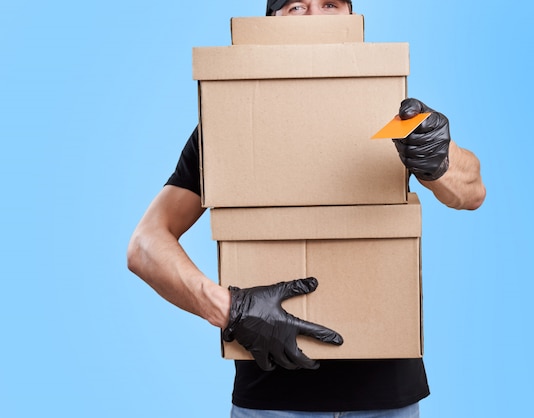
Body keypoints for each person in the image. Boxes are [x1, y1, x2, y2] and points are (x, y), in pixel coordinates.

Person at [127, 0, 486, 417]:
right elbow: (145, 244)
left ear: (352, 17)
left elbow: (472, 192)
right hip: (271, 399)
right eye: (297, 6)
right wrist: (230, 308)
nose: (315, 18)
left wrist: (439, 157)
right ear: (270, 23)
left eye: (330, 4)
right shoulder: (226, 122)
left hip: (387, 396)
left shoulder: (393, 110)